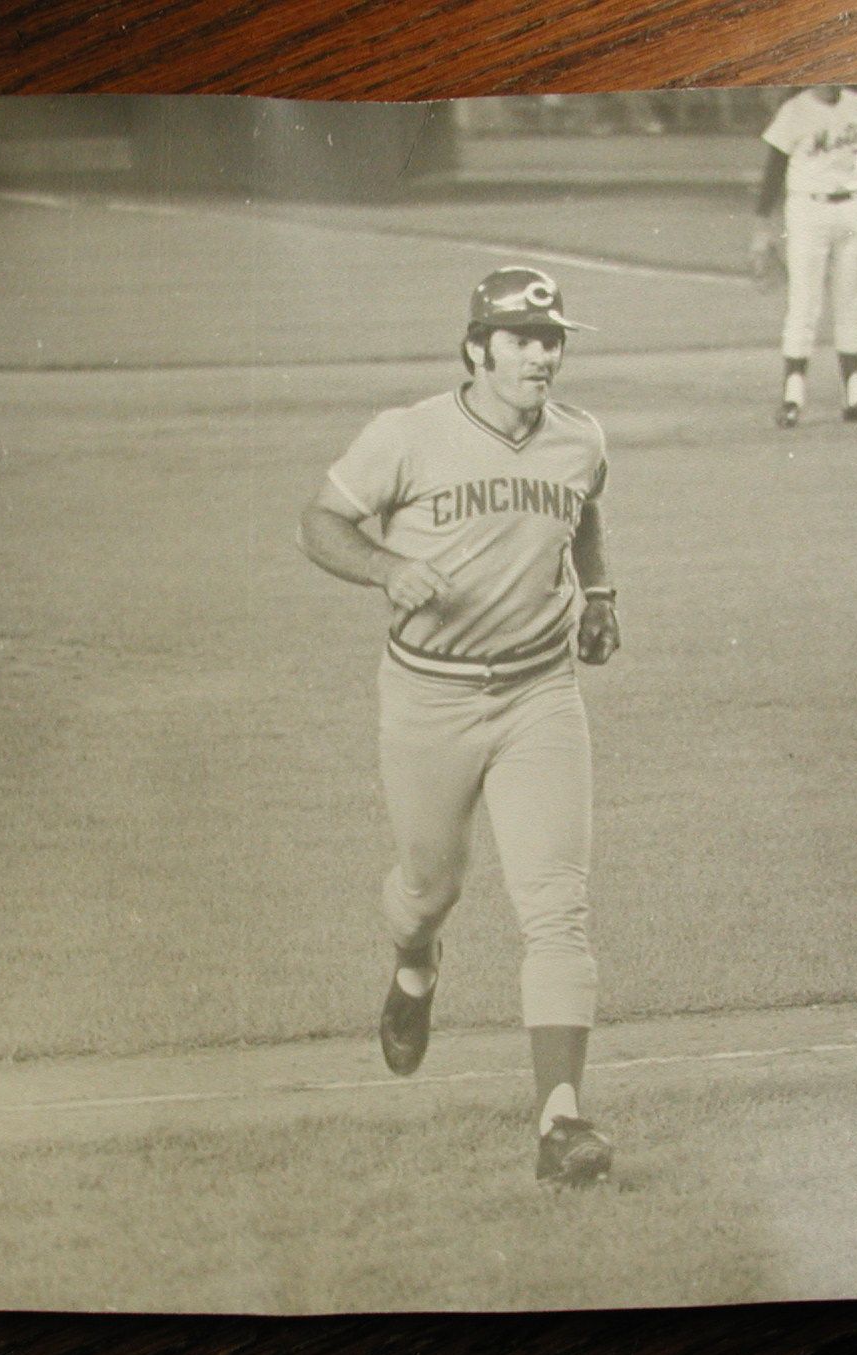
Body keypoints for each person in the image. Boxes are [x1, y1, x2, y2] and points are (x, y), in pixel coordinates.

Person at [297, 267, 621, 1188]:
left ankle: (561, 1121)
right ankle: (413, 965)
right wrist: (384, 567)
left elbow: (584, 509)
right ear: (476, 348)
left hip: (539, 694)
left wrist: (597, 594)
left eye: (551, 339)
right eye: (521, 339)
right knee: (428, 891)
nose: (540, 356)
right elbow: (319, 524)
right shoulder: (407, 435)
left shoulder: (580, 437)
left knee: (557, 909)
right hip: (428, 700)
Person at [748, 84, 857, 426]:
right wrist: (762, 228)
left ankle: (856, 398)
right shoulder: (794, 111)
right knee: (804, 301)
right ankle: (792, 398)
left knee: (852, 301)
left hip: (852, 209)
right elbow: (773, 172)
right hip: (807, 210)